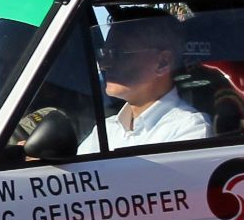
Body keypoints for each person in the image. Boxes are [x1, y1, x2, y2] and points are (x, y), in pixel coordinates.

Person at [77, 9, 209, 153]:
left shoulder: (189, 130)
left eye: (118, 53)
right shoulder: (107, 130)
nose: (104, 64)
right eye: (103, 53)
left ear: (162, 63)